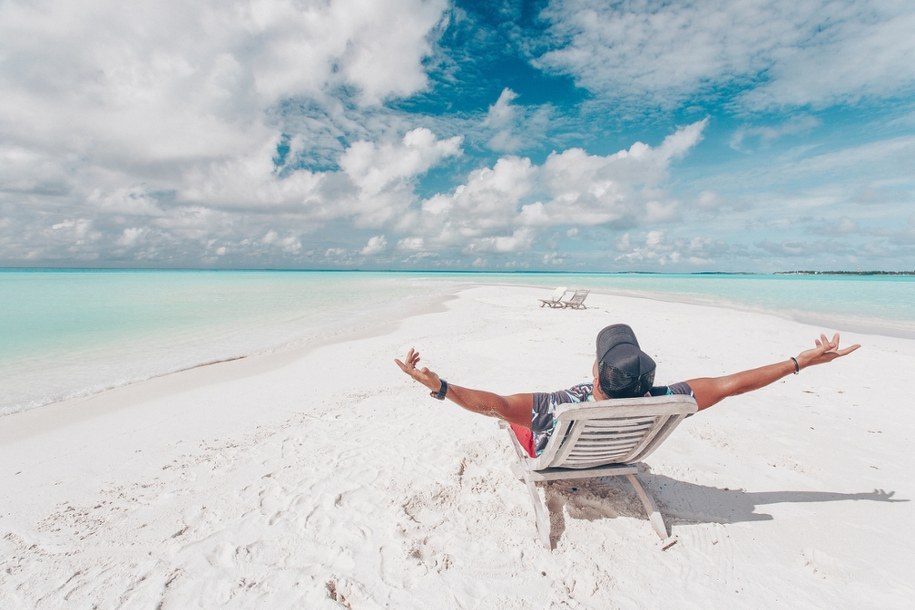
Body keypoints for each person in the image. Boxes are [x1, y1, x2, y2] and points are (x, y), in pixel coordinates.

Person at [395, 324, 860, 457]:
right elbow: (733, 384)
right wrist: (801, 361)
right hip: (625, 446)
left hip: (564, 447)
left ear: (596, 374)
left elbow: (494, 405)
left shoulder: (560, 406)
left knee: (512, 423)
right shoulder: (665, 399)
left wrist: (439, 386)